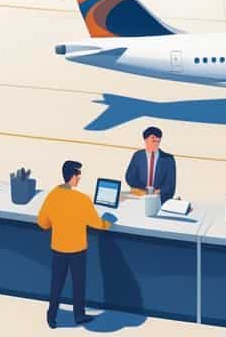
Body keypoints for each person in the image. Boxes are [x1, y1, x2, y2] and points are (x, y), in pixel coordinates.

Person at [37, 160, 112, 329]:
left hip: (58, 247)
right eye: (78, 174)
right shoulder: (82, 199)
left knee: (56, 283)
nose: (79, 177)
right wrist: (110, 222)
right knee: (78, 284)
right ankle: (79, 315)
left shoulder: (53, 195)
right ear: (73, 176)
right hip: (77, 249)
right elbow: (97, 223)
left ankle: (52, 316)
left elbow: (42, 222)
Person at [124, 126, 176, 201]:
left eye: (158, 141)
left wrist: (157, 192)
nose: (156, 144)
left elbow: (170, 185)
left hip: (160, 199)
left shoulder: (168, 159)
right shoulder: (138, 155)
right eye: (153, 141)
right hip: (139, 197)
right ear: (145, 140)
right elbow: (130, 177)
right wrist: (145, 189)